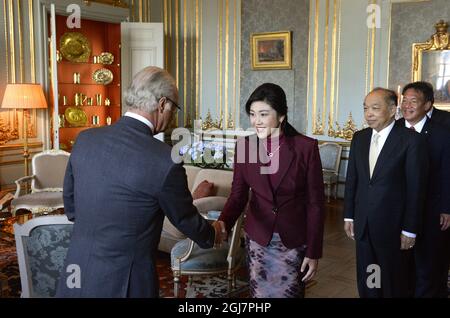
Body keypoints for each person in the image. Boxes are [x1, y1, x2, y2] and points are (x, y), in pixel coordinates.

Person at [56, 66, 224, 298]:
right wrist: (212, 233)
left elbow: (72, 208)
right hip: (126, 281)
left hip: (76, 271)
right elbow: (184, 219)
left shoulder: (85, 140)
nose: (173, 114)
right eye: (174, 107)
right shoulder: (165, 159)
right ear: (162, 104)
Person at [216, 83, 325, 298]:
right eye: (252, 114)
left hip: (293, 242)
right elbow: (238, 195)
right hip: (258, 240)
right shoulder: (245, 147)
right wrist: (223, 223)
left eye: (263, 114)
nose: (256, 121)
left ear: (281, 115)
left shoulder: (306, 148)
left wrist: (313, 252)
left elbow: (315, 204)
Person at [344, 88, 429, 298]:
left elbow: (416, 188)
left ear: (392, 110)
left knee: (393, 281)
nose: (368, 113)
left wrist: (410, 229)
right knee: (369, 277)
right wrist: (349, 215)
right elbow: (352, 180)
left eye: (375, 108)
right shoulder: (360, 138)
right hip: (363, 223)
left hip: (394, 226)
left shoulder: (411, 140)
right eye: (365, 108)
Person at [399, 81, 450, 298]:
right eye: (404, 100)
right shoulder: (395, 130)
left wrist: (447, 208)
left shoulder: (442, 133)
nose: (407, 105)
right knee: (403, 264)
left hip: (432, 209)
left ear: (427, 105)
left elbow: (447, 173)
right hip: (400, 210)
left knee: (428, 263)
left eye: (414, 101)